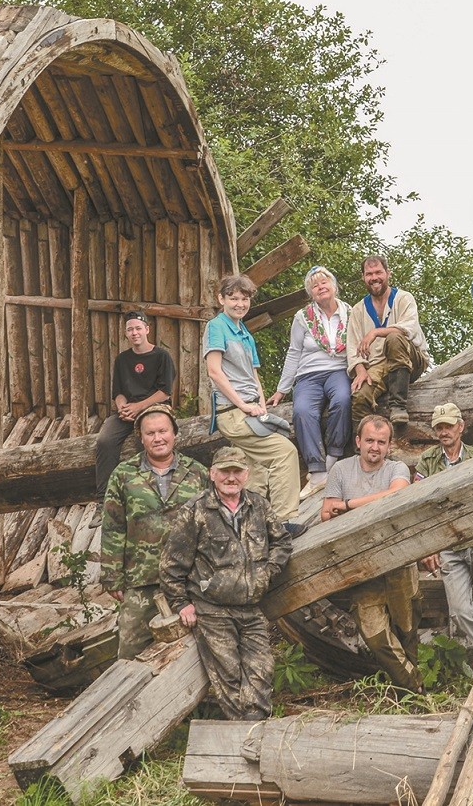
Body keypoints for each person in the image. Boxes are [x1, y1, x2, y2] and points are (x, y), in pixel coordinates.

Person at [160, 446, 292, 721]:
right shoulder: (195, 511)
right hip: (212, 609)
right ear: (212, 474)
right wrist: (181, 603)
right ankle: (238, 735)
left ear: (246, 475)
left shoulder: (259, 506)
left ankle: (255, 730)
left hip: (251, 607)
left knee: (262, 669)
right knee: (228, 675)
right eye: (224, 471)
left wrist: (267, 572)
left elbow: (281, 542)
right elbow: (172, 563)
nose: (230, 477)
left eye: (236, 471)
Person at [322, 415, 424, 692]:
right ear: (358, 442)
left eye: (381, 442)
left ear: (390, 445)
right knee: (376, 636)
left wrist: (349, 505)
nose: (375, 447)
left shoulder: (396, 468)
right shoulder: (342, 470)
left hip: (398, 561)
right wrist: (343, 508)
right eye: (369, 441)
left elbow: (396, 495)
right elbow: (326, 512)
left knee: (407, 629)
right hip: (361, 567)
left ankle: (410, 694)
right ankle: (415, 687)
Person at [100, 404, 209, 659]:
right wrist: (111, 575)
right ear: (141, 437)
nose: (157, 438)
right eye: (150, 433)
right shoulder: (123, 475)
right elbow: (113, 526)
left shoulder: (197, 473)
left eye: (163, 431)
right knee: (131, 649)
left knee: (195, 647)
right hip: (140, 577)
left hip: (188, 579)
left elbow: (210, 527)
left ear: (174, 433)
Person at [204, 273, 301, 523]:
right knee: (284, 453)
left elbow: (253, 375)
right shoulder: (216, 326)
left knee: (253, 470)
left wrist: (260, 404)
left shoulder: (245, 332)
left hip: (249, 410)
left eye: (244, 299)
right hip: (232, 412)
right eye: (233, 298)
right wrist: (243, 405)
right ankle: (284, 521)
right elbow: (214, 371)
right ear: (221, 299)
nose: (239, 304)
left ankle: (247, 523)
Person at [413, 403, 473, 655]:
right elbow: (418, 505)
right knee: (460, 611)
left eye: (449, 426)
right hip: (448, 546)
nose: (444, 432)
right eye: (439, 427)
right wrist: (428, 546)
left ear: (460, 427)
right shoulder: (427, 461)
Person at [268, 265, 351, 500]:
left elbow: (357, 345)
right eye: (315, 285)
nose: (321, 287)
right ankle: (317, 471)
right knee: (302, 410)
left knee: (343, 399)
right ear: (310, 293)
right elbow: (294, 352)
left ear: (334, 286)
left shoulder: (350, 312)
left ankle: (333, 458)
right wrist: (282, 389)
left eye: (325, 282)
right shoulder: (303, 317)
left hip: (338, 370)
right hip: (309, 375)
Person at [95, 311, 177, 496]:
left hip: (155, 408)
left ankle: (156, 493)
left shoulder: (161, 356)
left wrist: (139, 407)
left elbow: (165, 393)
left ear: (147, 329)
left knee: (149, 440)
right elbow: (118, 392)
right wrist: (123, 408)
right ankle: (105, 498)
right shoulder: (122, 359)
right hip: (128, 411)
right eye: (130, 329)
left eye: (138, 328)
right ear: (125, 333)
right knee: (104, 441)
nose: (134, 332)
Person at [346, 255, 431, 427]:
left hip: (411, 359)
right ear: (363, 277)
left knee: (394, 338)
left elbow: (409, 329)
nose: (374, 278)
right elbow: (352, 347)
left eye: (378, 272)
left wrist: (376, 332)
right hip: (379, 365)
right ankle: (365, 445)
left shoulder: (403, 298)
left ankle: (398, 406)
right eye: (369, 274)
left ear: (388, 273)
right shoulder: (358, 310)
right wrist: (361, 370)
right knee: (359, 396)